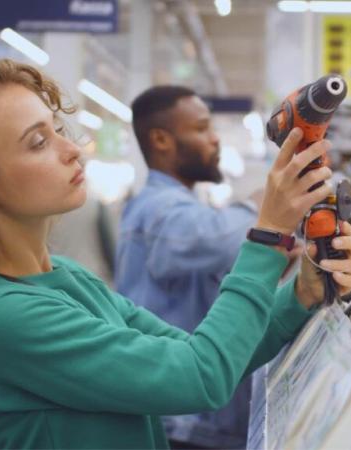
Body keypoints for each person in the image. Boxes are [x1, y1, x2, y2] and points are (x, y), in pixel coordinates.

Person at [0, 59, 351, 449]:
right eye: (38, 142)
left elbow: (200, 352)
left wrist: (301, 291)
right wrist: (268, 235)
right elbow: (201, 377)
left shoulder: (66, 277)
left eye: (58, 129)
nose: (73, 150)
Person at [115, 86, 268, 449]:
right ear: (161, 140)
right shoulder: (158, 209)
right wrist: (263, 208)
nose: (214, 139)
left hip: (197, 419)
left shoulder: (178, 204)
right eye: (201, 129)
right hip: (182, 426)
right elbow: (214, 238)